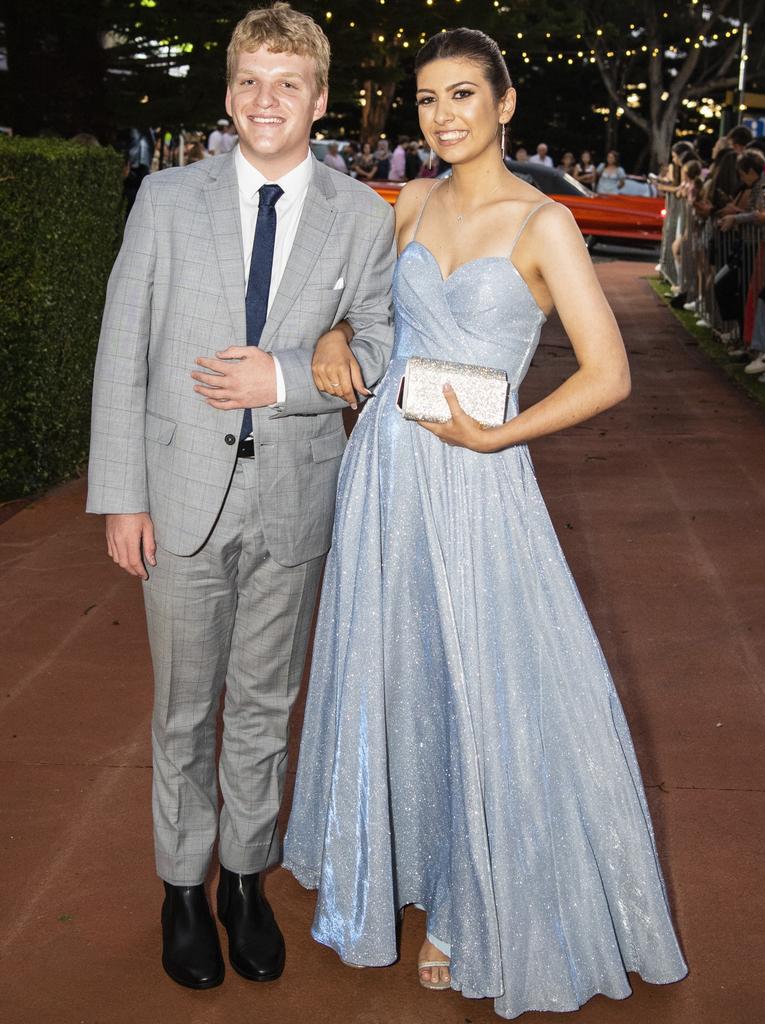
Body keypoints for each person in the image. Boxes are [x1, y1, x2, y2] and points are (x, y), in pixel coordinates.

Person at [284, 25, 687, 1020]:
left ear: (504, 104)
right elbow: (358, 313)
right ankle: (394, 867)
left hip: (478, 479)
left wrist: (504, 438)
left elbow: (610, 374)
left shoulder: (544, 223)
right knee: (398, 673)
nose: (445, 115)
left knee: (478, 682)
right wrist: (336, 333)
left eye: (464, 94)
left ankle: (472, 902)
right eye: (428, 99)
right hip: (384, 469)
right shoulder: (408, 202)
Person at [87, 2, 394, 992]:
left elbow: (382, 347)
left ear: (319, 100)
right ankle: (182, 885)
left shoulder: (364, 216)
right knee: (183, 709)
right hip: (176, 495)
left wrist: (292, 377)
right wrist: (121, 497)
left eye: (289, 83)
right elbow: (122, 351)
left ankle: (244, 882)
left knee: (265, 703)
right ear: (230, 95)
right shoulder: (167, 200)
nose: (269, 100)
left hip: (296, 501)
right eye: (252, 82)